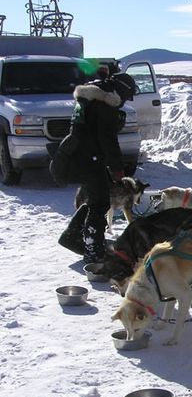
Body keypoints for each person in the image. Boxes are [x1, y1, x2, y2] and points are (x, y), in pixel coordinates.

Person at [56, 71, 138, 263]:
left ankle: (73, 235)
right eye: (126, 97)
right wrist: (117, 169)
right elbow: (107, 139)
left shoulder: (89, 98)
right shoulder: (104, 104)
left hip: (80, 154)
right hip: (89, 157)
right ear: (121, 91)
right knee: (100, 203)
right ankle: (94, 249)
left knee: (95, 198)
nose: (124, 101)